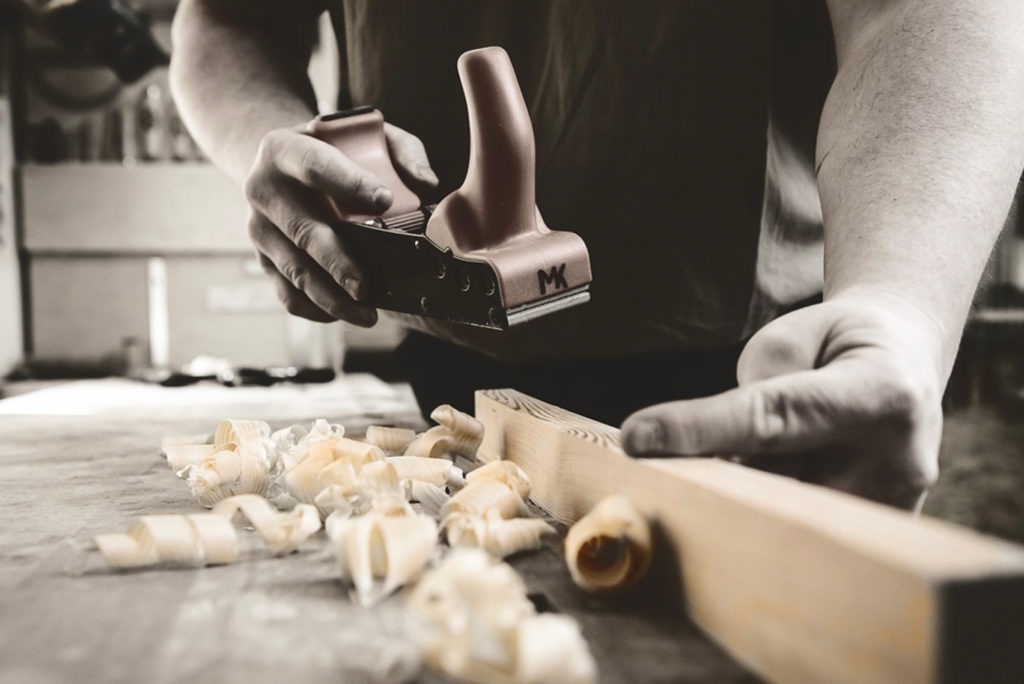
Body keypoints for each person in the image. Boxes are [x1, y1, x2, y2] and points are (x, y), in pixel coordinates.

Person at [170, 0, 1024, 511]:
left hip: (766, 372)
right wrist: (275, 140)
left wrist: (898, 304)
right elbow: (228, 18)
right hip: (449, 369)